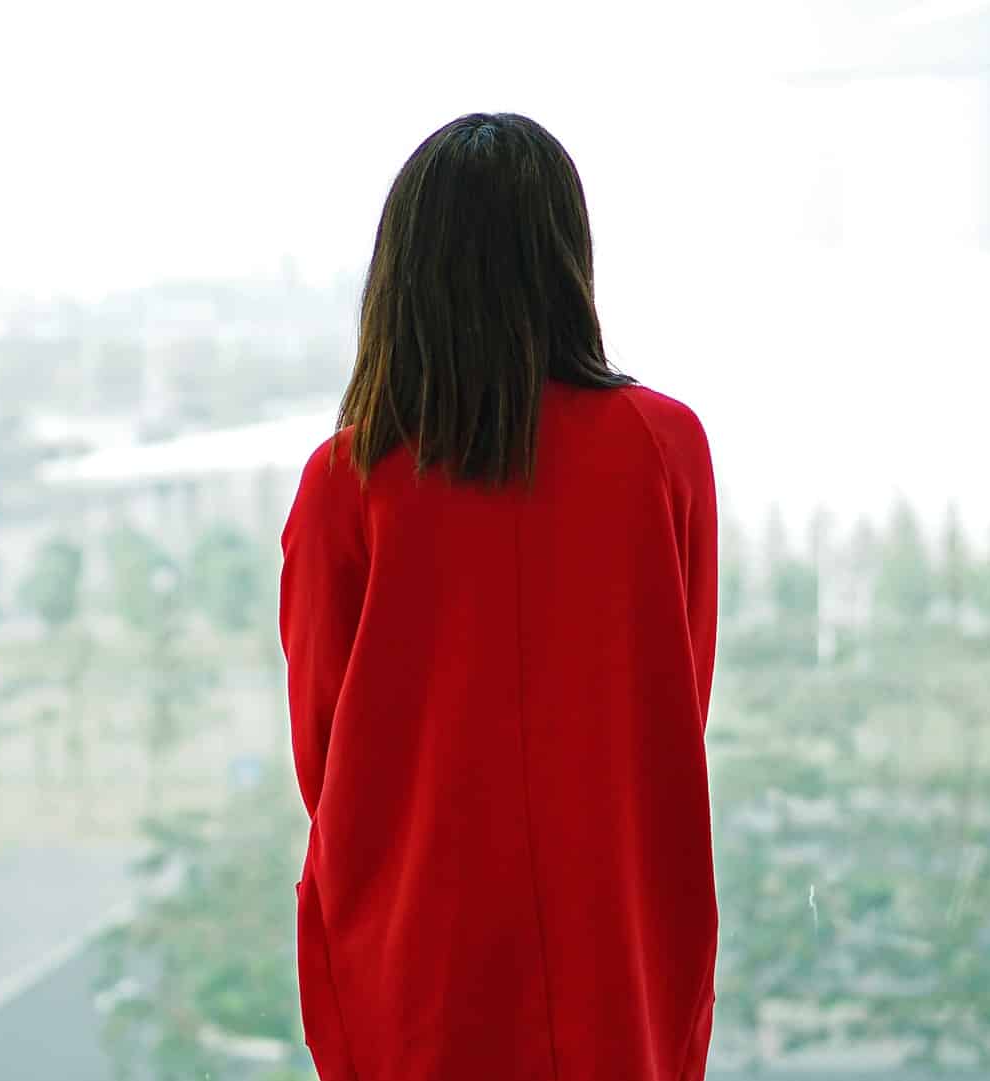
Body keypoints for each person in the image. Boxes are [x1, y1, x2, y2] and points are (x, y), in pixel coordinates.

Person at [280, 113, 719, 1081]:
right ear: (567, 255)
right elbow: (681, 691)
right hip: (616, 919)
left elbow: (324, 743)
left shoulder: (346, 479)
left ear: (402, 270)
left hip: (415, 932)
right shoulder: (664, 445)